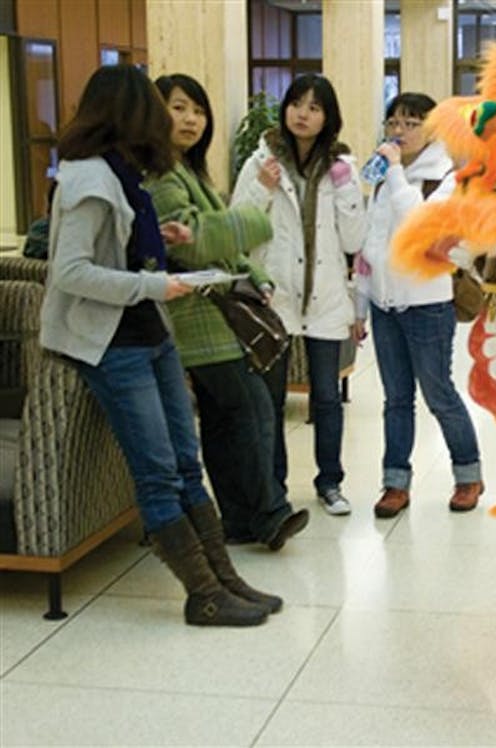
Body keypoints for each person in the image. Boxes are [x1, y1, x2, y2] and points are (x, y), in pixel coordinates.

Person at [39, 64, 280, 626]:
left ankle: (224, 577)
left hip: (151, 333)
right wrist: (153, 283)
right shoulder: (87, 181)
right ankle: (203, 593)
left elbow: (116, 248)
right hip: (112, 344)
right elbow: (70, 271)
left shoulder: (124, 173)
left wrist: (159, 239)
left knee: (185, 462)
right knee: (157, 471)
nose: (169, 120)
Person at [146, 73, 309, 550]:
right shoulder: (159, 175)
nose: (191, 119)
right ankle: (266, 513)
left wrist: (253, 274)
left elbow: (219, 242)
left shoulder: (189, 171)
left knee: (227, 416)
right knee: (243, 409)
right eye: (178, 108)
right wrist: (253, 222)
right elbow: (195, 241)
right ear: (153, 112)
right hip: (193, 316)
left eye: (197, 110)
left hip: (217, 311)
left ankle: (240, 520)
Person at [231, 74, 365, 517]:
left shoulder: (343, 167)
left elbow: (354, 238)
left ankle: (330, 483)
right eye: (295, 104)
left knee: (326, 397)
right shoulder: (260, 161)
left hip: (325, 297)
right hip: (277, 299)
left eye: (313, 107)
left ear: (328, 117)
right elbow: (237, 225)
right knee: (270, 399)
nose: (302, 114)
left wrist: (348, 190)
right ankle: (275, 490)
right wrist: (261, 189)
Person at [353, 92, 483, 519]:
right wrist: (360, 303)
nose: (399, 131)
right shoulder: (383, 175)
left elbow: (419, 225)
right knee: (395, 399)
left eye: (411, 123)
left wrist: (392, 171)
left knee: (439, 394)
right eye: (394, 121)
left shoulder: (446, 176)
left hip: (427, 306)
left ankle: (468, 475)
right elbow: (371, 242)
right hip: (385, 305)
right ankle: (395, 483)